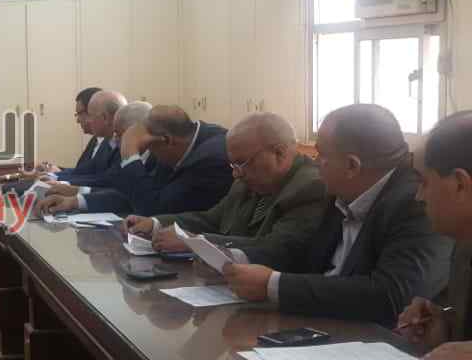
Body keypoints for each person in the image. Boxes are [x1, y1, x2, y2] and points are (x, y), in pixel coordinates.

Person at [223, 104, 453, 325]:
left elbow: (392, 295)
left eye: (321, 155)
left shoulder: (416, 203)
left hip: (369, 338)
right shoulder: (341, 192)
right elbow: (298, 249)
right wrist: (231, 258)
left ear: (352, 166)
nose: (315, 162)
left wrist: (274, 286)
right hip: (319, 324)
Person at [125, 112, 326, 252]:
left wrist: (195, 243)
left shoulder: (309, 187)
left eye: (242, 163)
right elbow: (211, 219)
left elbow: (275, 248)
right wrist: (155, 223)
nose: (236, 174)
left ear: (279, 153)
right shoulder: (247, 181)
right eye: (233, 164)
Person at [45, 106, 232, 216]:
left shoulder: (209, 161)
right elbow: (134, 195)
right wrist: (75, 202)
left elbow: (152, 208)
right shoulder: (176, 142)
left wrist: (131, 155)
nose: (118, 144)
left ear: (166, 140)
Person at [396, 111, 472, 360]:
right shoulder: (463, 246)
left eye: (424, 182)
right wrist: (446, 329)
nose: (419, 196)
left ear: (460, 184)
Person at [34, 101, 151, 213]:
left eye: (119, 134)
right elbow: (122, 194)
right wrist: (73, 198)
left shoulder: (155, 161)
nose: (115, 140)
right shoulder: (103, 142)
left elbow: (139, 201)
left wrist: (69, 188)